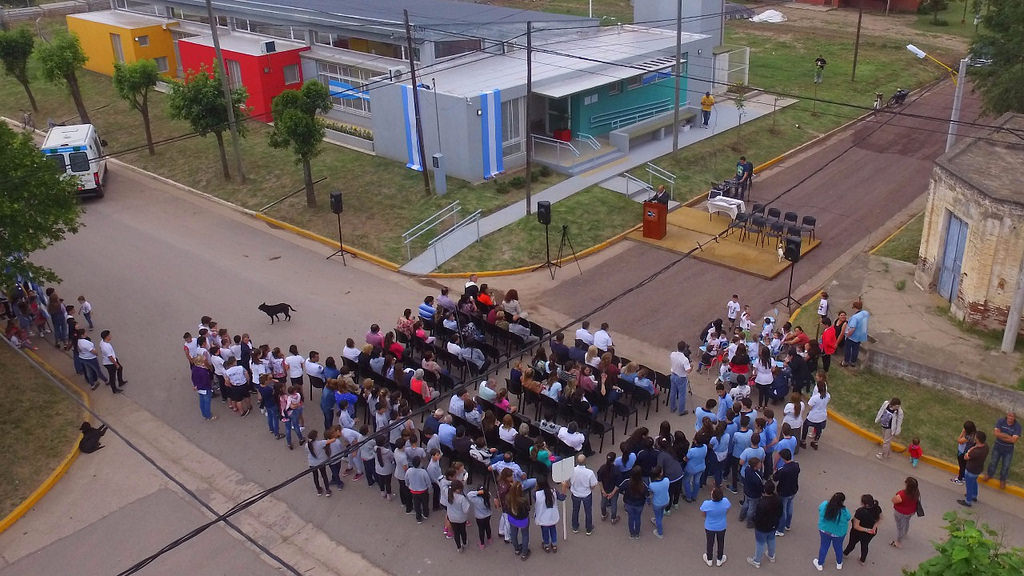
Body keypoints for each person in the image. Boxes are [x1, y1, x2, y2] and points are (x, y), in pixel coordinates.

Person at [747, 480, 782, 567]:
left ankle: (757, 561)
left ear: (764, 490)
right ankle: (771, 555)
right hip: (774, 524)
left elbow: (758, 517)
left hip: (762, 527)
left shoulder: (762, 503)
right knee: (771, 539)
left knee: (760, 543)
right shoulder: (778, 499)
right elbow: (780, 513)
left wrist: (754, 521)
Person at [982, 411, 1020, 490]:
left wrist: (1001, 435)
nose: (1010, 418)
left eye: (1012, 416)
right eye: (1009, 415)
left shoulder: (1017, 426)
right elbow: (996, 434)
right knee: (993, 462)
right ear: (1007, 415)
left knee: (1006, 466)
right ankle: (989, 474)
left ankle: (1002, 480)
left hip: (1008, 450)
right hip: (997, 446)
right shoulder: (1001, 421)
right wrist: (1008, 436)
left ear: (1015, 418)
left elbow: (1013, 440)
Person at [814, 492, 850, 571]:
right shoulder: (843, 511)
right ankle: (839, 563)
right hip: (839, 533)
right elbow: (848, 518)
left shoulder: (825, 505)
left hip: (824, 530)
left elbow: (819, 509)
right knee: (838, 547)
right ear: (842, 501)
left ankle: (820, 564)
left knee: (824, 546)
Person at [842, 494, 883, 565]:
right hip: (870, 533)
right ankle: (862, 560)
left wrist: (867, 530)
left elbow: (856, 526)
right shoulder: (877, 508)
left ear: (866, 504)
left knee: (852, 543)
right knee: (865, 545)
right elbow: (880, 518)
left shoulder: (860, 511)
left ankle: (845, 553)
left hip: (857, 532)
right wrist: (873, 528)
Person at [568, 453, 598, 535]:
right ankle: (588, 529)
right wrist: (590, 488)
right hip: (586, 494)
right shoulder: (590, 472)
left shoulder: (571, 470)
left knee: (575, 510)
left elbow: (567, 481)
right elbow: (593, 484)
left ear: (577, 461)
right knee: (588, 511)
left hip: (575, 494)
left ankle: (575, 527)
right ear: (585, 461)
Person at [700, 486, 731, 566]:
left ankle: (709, 559)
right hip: (721, 526)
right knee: (721, 542)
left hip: (709, 526)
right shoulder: (725, 501)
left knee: (710, 542)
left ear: (713, 496)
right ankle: (719, 559)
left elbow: (703, 514)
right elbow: (727, 510)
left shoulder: (706, 504)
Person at [534, 477, 566, 553]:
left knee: (545, 531)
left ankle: (546, 545)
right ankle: (554, 544)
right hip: (552, 516)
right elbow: (562, 498)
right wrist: (564, 487)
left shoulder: (536, 494)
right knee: (553, 529)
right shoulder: (553, 491)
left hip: (542, 517)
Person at [773, 448, 800, 534]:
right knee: (790, 507)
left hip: (784, 492)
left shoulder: (783, 469)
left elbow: (775, 478)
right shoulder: (796, 465)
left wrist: (775, 472)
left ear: (784, 458)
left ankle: (780, 530)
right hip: (793, 489)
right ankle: (787, 525)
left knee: (782, 510)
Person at [958, 431, 988, 507]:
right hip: (978, 469)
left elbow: (965, 457)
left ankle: (968, 501)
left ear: (978, 440)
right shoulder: (985, 447)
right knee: (974, 482)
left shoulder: (975, 451)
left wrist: (969, 450)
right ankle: (974, 495)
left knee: (969, 486)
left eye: (975, 437)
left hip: (971, 470)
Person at [800, 377, 830, 450]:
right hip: (822, 416)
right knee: (819, 429)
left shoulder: (815, 398)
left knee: (806, 426)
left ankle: (803, 441)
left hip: (813, 416)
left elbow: (810, 407)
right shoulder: (828, 396)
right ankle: (815, 442)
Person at [620, 466, 649, 540]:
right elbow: (647, 494)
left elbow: (620, 488)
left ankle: (632, 534)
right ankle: (637, 534)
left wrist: (624, 494)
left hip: (629, 503)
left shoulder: (627, 481)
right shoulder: (643, 484)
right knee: (638, 518)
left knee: (630, 518)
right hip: (639, 504)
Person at [890, 476, 919, 548]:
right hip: (911, 512)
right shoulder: (916, 492)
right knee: (906, 522)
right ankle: (905, 533)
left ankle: (898, 542)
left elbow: (894, 500)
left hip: (900, 513)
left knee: (900, 526)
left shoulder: (902, 494)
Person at [306, 430, 337, 497]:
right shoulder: (320, 443)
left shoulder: (307, 445)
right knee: (324, 476)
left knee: (315, 476)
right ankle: (327, 490)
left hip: (312, 464)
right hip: (320, 463)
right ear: (315, 437)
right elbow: (332, 440)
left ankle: (319, 490)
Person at [506, 481, 532, 560]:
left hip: (512, 519)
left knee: (513, 534)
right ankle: (524, 553)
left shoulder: (508, 497)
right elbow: (528, 509)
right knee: (525, 535)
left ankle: (517, 549)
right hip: (523, 520)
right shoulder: (523, 500)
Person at [842, 300, 869, 368]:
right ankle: (853, 362)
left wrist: (848, 335)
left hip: (853, 336)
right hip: (861, 335)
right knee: (856, 349)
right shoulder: (866, 313)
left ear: (855, 307)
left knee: (848, 349)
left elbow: (852, 328)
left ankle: (846, 362)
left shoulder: (855, 317)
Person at [447, 479, 472, 552]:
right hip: (461, 518)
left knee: (456, 533)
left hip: (451, 518)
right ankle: (464, 543)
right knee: (463, 531)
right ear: (457, 489)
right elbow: (465, 510)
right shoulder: (461, 498)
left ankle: (459, 547)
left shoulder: (448, 495)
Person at [669, 340, 692, 416]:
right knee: (682, 395)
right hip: (681, 378)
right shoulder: (685, 359)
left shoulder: (672, 354)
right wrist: (691, 366)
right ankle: (681, 411)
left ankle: (672, 407)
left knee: (673, 393)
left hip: (673, 375)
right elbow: (688, 371)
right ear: (685, 348)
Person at [648, 466, 671, 539]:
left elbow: (650, 494)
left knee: (658, 516)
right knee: (660, 514)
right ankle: (657, 521)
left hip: (657, 503)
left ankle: (660, 532)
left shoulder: (652, 485)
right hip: (666, 500)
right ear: (661, 473)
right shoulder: (666, 480)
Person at [951, 420, 977, 484]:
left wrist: (962, 432)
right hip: (968, 452)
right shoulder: (975, 434)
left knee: (962, 466)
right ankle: (964, 477)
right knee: (965, 466)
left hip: (962, 452)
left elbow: (959, 440)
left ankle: (960, 479)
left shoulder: (968, 437)